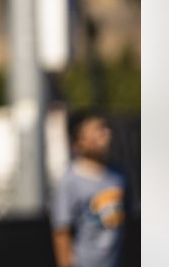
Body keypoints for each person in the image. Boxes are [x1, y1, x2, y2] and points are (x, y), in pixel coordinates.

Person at [51, 110, 126, 267]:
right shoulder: (69, 182)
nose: (106, 134)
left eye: (106, 128)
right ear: (80, 141)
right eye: (98, 129)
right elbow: (62, 233)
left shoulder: (120, 176)